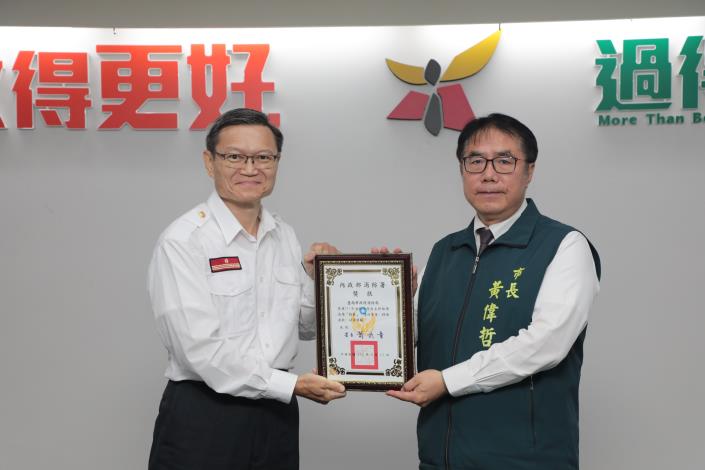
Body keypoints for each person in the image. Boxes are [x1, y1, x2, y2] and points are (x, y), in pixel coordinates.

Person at [387, 113, 601, 469]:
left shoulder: (564, 245)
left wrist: (449, 381)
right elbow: (409, 342)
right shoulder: (444, 252)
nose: (488, 174)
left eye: (504, 161)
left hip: (526, 461)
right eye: (475, 161)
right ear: (462, 170)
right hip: (440, 459)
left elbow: (547, 343)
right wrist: (392, 298)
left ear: (529, 171)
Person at [147, 108, 346, 470]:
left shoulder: (283, 235)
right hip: (206, 413)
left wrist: (322, 280)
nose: (251, 169)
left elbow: (304, 327)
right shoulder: (184, 240)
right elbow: (199, 351)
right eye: (235, 157)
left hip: (276, 416)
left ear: (277, 162)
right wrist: (290, 386)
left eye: (264, 157)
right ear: (210, 162)